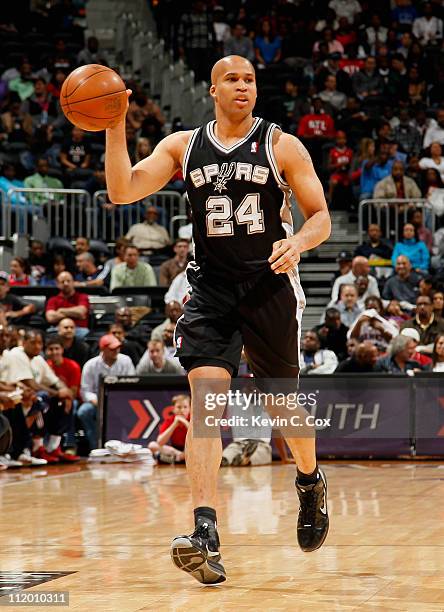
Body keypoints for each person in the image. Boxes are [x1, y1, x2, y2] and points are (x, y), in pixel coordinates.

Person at [105, 55, 331, 583]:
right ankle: (204, 529)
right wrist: (115, 124)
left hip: (270, 284)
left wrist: (298, 241)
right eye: (232, 79)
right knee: (208, 400)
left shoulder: (281, 145)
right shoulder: (185, 146)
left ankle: (309, 479)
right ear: (212, 90)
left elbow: (320, 214)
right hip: (210, 286)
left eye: (251, 79)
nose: (243, 87)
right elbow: (122, 190)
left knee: (281, 407)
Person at [78, 334, 135, 450]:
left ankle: (127, 448)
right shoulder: (90, 365)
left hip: (121, 401)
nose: (116, 351)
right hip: (97, 403)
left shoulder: (126, 361)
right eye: (112, 349)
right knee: (84, 412)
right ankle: (96, 447)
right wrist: (98, 401)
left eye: (117, 348)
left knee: (134, 409)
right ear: (103, 349)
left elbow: (132, 385)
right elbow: (85, 391)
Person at [148, 394, 190, 463]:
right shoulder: (169, 421)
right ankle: (180, 458)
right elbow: (160, 442)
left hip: (190, 449)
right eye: (179, 407)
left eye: (185, 407)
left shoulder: (193, 420)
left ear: (189, 409)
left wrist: (185, 423)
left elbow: (198, 441)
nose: (182, 410)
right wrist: (174, 425)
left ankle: (176, 459)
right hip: (176, 451)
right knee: (152, 445)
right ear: (174, 409)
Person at [45, 272, 90, 336]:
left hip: (79, 329)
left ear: (73, 282)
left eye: (68, 281)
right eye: (62, 282)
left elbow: (81, 312)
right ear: (57, 284)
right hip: (57, 329)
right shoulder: (52, 300)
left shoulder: (82, 297)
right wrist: (74, 314)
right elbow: (50, 318)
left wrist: (61, 310)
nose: (66, 284)